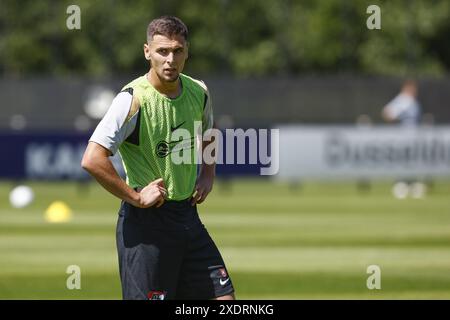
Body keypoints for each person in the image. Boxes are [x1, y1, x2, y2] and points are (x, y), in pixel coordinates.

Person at [81, 16, 235, 300]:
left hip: (188, 218)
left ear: (187, 52)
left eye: (177, 51)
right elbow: (92, 158)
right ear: (147, 52)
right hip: (146, 226)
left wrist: (208, 173)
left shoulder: (198, 91)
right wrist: (136, 197)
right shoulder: (131, 99)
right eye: (162, 51)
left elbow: (210, 130)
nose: (170, 59)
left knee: (224, 299)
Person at [381, 79, 426, 198]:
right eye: (412, 88)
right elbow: (387, 113)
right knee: (406, 159)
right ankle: (401, 183)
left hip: (413, 135)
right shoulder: (403, 100)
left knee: (412, 160)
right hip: (404, 136)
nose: (415, 91)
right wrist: (397, 122)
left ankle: (410, 183)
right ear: (407, 88)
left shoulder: (411, 101)